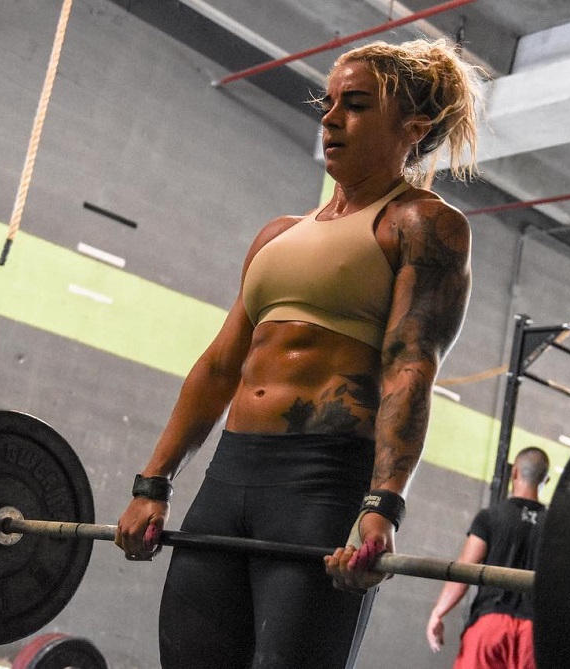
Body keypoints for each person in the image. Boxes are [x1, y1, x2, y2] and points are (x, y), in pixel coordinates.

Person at [115, 37, 482, 669]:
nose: (331, 118)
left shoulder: (421, 223)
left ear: (412, 129)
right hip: (229, 477)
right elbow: (219, 366)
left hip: (323, 483)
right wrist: (154, 482)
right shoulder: (279, 235)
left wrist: (382, 505)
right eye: (330, 102)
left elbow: (410, 366)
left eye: (357, 105)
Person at [426, 447, 551, 669]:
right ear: (546, 480)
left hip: (490, 625)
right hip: (535, 636)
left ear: (514, 473)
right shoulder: (555, 526)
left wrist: (438, 613)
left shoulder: (490, 516)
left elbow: (464, 571)